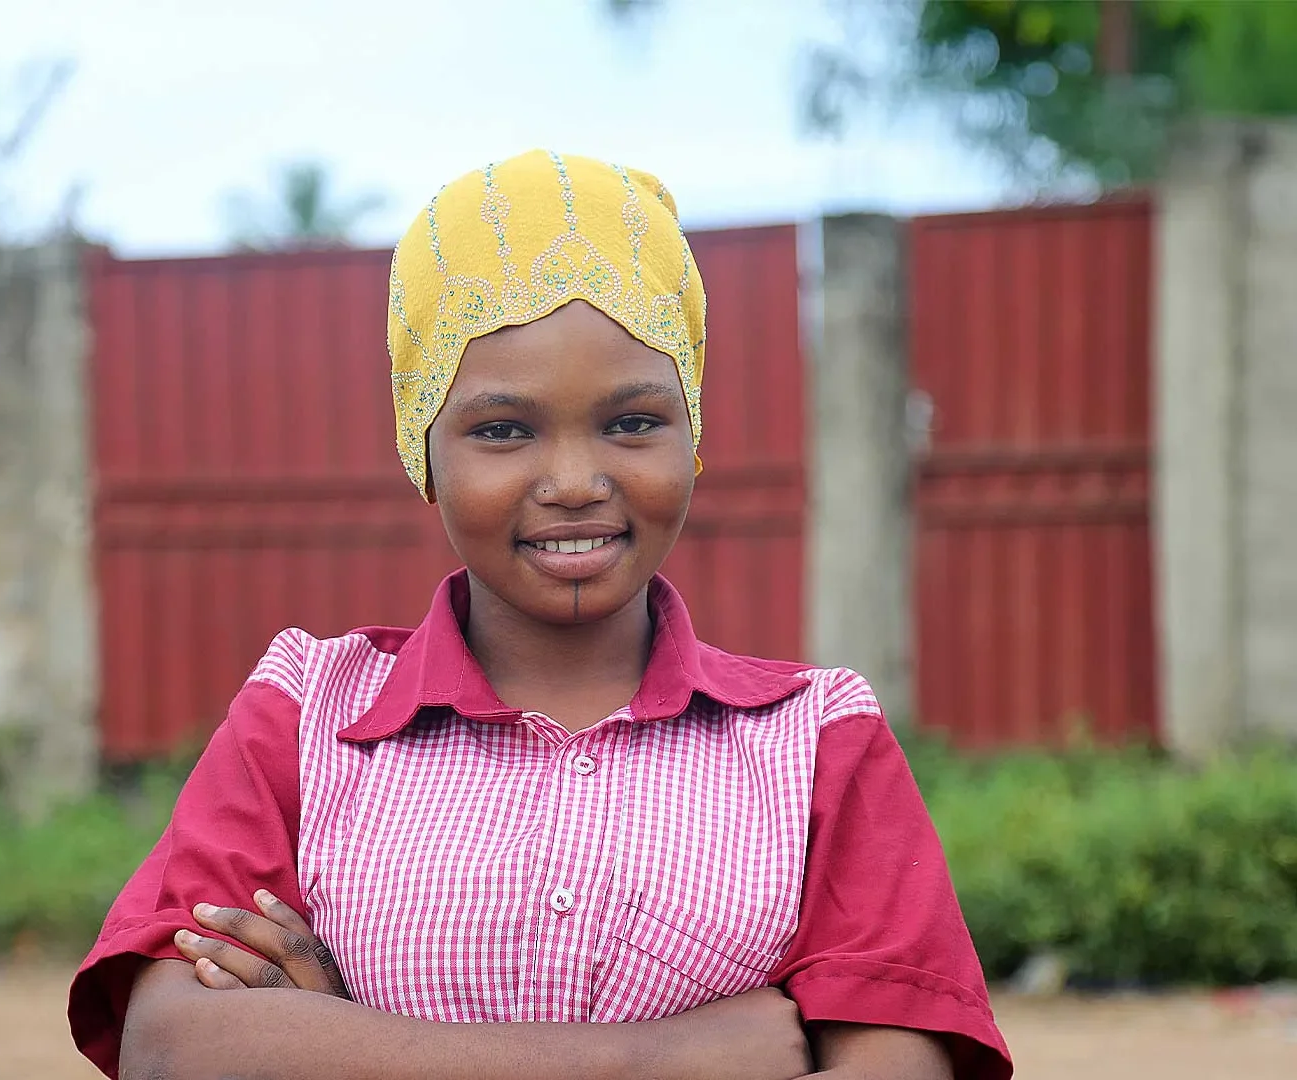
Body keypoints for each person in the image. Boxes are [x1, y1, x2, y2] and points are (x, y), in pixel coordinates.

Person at [68, 149, 1012, 1080]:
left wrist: (339, 1041)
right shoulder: (308, 717)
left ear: (694, 433)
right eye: (503, 431)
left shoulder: (813, 741)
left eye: (633, 422)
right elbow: (172, 1046)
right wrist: (668, 1057)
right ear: (421, 448)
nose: (573, 482)